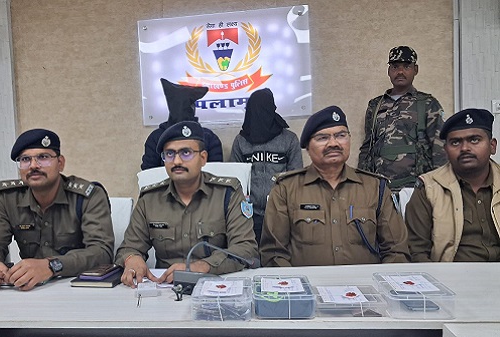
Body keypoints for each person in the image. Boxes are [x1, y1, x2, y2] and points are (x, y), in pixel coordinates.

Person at [260, 106, 410, 267]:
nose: (333, 143)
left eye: (341, 135)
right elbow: (274, 254)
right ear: (308, 147)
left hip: (365, 282)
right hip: (308, 282)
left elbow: (396, 251)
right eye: (322, 138)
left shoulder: (375, 188)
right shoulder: (286, 189)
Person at [0, 129, 114, 291]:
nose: (33, 165)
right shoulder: (7, 198)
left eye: (43, 157)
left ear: (60, 163)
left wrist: (52, 266)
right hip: (29, 290)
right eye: (25, 159)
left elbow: (102, 252)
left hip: (78, 288)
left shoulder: (88, 196)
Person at [118, 121, 258, 286]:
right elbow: (129, 247)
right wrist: (132, 259)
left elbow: (245, 248)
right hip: (165, 287)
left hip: (216, 285)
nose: (177, 161)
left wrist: (202, 266)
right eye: (169, 154)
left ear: (203, 158)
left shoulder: (227, 193)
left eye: (186, 153)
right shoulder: (150, 199)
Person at [405, 109, 500, 262]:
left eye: (474, 140)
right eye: (455, 142)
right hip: (450, 274)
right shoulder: (429, 188)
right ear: (446, 150)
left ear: (492, 146)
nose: (465, 148)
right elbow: (416, 251)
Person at [358, 46, 445, 191]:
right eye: (395, 66)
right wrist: (361, 184)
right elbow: (367, 147)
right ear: (389, 71)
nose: (400, 71)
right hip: (379, 189)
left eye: (406, 66)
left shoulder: (428, 104)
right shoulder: (375, 105)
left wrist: (438, 189)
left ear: (415, 70)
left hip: (416, 190)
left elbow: (439, 150)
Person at [230, 88, 303, 243]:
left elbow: (295, 178)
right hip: (248, 214)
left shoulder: (289, 139)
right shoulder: (241, 141)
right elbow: (234, 179)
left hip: (281, 212)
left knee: (279, 254)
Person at [140, 78, 223, 170]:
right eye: (170, 153)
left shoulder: (209, 137)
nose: (177, 161)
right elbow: (148, 173)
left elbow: (216, 172)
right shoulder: (156, 138)